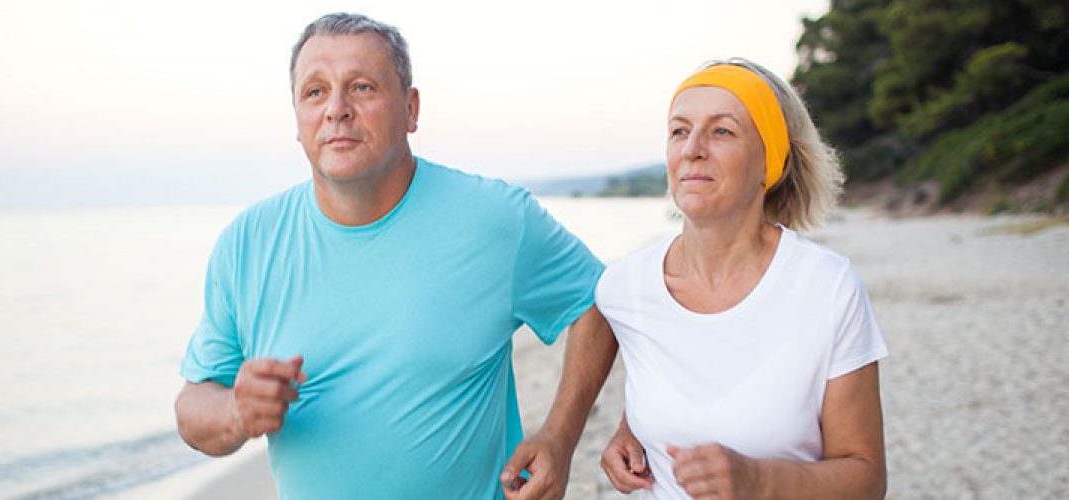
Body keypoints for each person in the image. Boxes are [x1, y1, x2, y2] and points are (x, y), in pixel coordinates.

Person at [173, 12, 617, 500]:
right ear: (297, 119)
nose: (336, 109)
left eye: (361, 87)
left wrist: (560, 436)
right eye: (315, 91)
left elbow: (601, 302)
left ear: (410, 108)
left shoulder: (493, 220)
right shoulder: (247, 243)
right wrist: (237, 412)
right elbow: (194, 405)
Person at [595, 59, 888, 499]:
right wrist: (623, 428)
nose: (692, 148)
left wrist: (759, 481)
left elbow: (866, 480)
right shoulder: (624, 286)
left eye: (722, 131)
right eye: (679, 130)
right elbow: (630, 343)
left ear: (771, 159)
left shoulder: (826, 287)